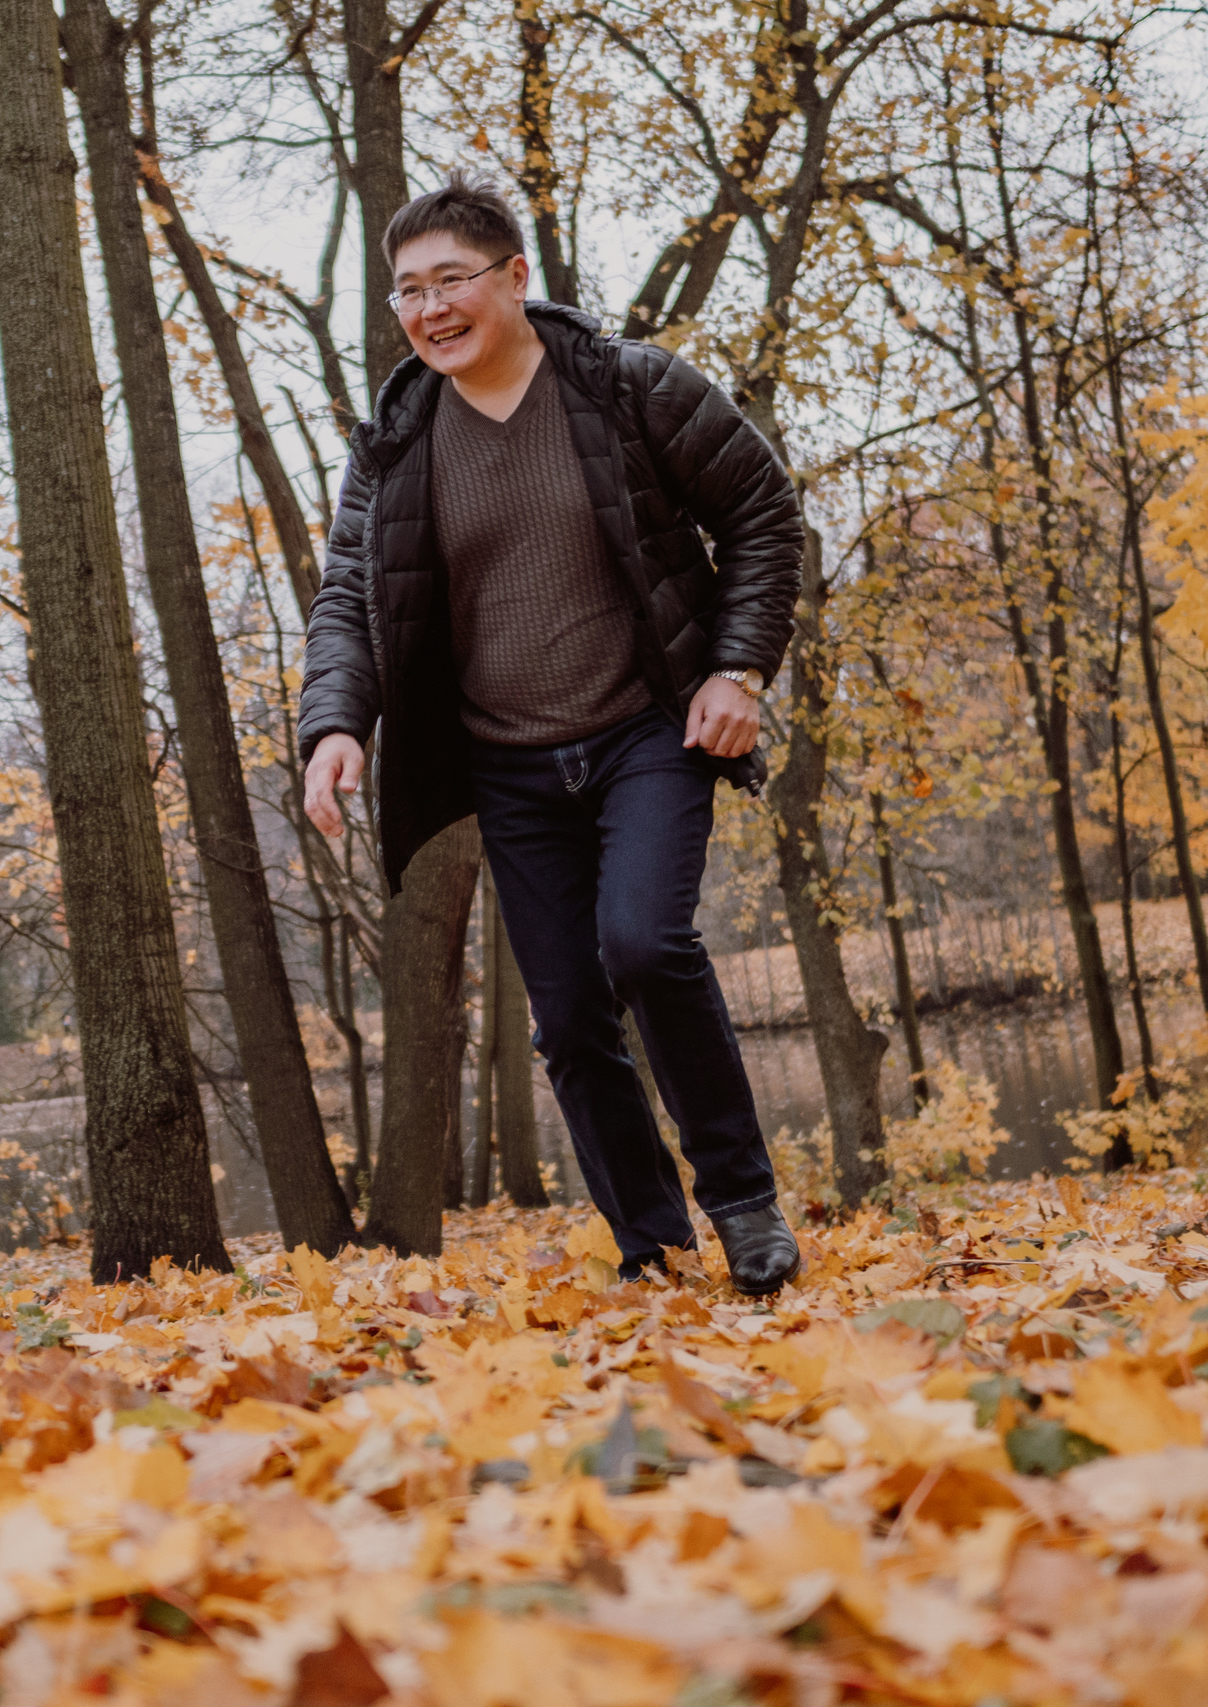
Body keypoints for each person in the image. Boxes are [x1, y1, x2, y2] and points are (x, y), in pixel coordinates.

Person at [298, 173, 806, 1294]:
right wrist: (335, 725)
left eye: (451, 281)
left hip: (644, 731)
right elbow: (349, 600)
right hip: (510, 766)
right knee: (570, 1018)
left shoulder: (628, 387)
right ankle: (653, 1246)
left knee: (645, 945)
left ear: (515, 276)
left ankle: (743, 1205)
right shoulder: (395, 445)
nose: (430, 309)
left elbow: (763, 512)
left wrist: (739, 668)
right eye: (408, 291)